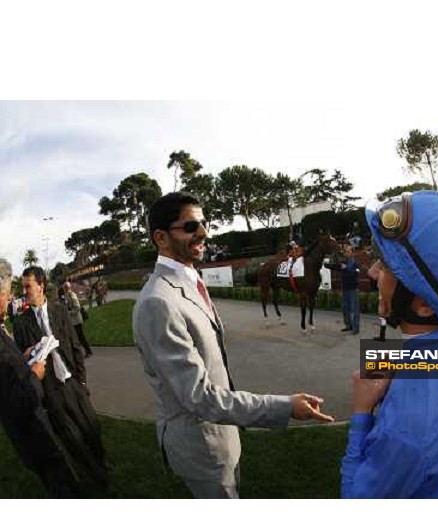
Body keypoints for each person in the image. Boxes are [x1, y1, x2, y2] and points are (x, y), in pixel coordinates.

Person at [132, 192, 334, 499]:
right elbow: (199, 397)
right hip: (201, 448)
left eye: (203, 223)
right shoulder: (157, 302)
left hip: (223, 435)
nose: (203, 232)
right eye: (190, 226)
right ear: (160, 238)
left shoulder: (188, 279)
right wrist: (284, 406)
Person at [341, 190, 438, 498]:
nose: (373, 272)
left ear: (424, 304)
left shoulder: (410, 428)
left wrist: (361, 411)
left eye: (387, 267)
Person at [12, 266, 108, 492]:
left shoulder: (59, 312)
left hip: (72, 382)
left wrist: (82, 382)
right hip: (50, 389)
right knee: (70, 435)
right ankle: (93, 473)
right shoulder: (21, 324)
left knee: (90, 426)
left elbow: (75, 347)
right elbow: (23, 362)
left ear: (41, 285)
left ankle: (102, 460)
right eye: (23, 286)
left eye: (28, 286)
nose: (25, 291)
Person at [0, 258, 80, 498]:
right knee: (63, 486)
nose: (8, 299)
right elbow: (15, 399)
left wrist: (23, 359)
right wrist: (34, 374)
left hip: (35, 423)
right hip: (31, 431)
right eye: (5, 293)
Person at [325, 244, 361, 334]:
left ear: (352, 253)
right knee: (345, 309)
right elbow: (336, 267)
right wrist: (328, 265)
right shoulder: (343, 261)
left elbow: (355, 273)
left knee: (354, 309)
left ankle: (355, 328)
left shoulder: (355, 262)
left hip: (353, 288)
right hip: (344, 288)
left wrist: (346, 268)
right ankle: (348, 325)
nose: (347, 253)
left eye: (349, 251)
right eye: (346, 252)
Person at [63, 281, 93, 358]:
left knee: (80, 337)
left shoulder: (72, 295)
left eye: (64, 287)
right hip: (72, 321)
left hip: (76, 320)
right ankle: (77, 353)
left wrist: (69, 313)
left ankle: (88, 351)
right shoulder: (66, 296)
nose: (64, 289)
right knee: (74, 337)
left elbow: (77, 307)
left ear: (67, 288)